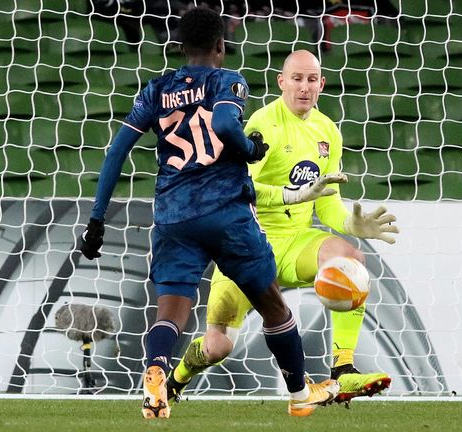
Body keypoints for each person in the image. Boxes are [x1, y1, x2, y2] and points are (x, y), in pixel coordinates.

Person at [79, 8, 339, 419]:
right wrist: (250, 149)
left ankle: (155, 372)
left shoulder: (156, 89)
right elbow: (222, 123)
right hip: (225, 211)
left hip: (174, 214)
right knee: (273, 306)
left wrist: (97, 220)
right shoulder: (226, 81)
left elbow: (115, 153)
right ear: (221, 46)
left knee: (173, 311)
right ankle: (298, 394)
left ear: (181, 47)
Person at [167, 49, 398, 406]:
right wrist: (295, 194)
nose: (304, 87)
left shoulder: (327, 131)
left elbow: (327, 203)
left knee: (350, 260)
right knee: (217, 347)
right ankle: (175, 381)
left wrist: (352, 223)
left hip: (294, 245)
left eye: (311, 80)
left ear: (321, 84)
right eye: (296, 79)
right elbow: (242, 189)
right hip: (246, 244)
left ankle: (343, 370)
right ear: (282, 82)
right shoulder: (262, 125)